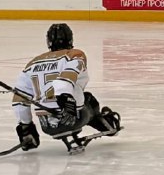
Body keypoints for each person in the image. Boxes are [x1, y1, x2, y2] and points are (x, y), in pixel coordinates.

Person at [13, 23, 122, 152]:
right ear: (70, 39)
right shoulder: (74, 55)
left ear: (48, 41)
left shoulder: (32, 63)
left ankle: (31, 134)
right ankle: (108, 125)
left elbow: (20, 98)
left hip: (46, 125)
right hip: (73, 118)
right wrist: (65, 97)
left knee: (76, 98)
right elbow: (66, 77)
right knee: (89, 99)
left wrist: (26, 127)